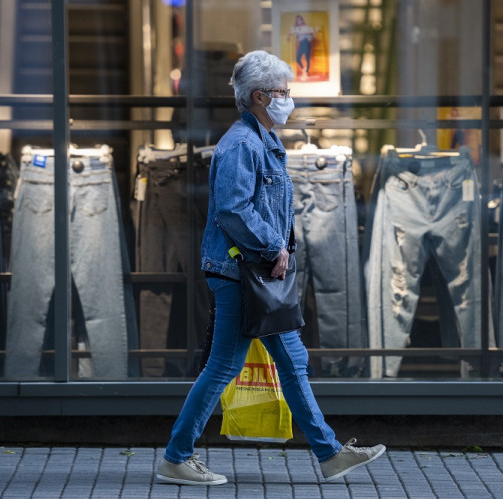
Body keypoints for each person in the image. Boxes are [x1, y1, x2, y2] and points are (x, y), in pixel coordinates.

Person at [156, 50, 386, 486]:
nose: (288, 99)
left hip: (257, 276)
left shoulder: (263, 138)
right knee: (223, 366)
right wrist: (273, 247)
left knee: (292, 361)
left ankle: (329, 452)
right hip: (241, 273)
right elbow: (233, 209)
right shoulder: (242, 144)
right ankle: (176, 457)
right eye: (283, 92)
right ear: (260, 96)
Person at [287, 15, 315, 80]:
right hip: (301, 43)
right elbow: (290, 33)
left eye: (300, 20)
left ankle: (306, 73)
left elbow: (312, 33)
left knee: (307, 58)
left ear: (302, 20)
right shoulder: (295, 28)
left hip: (306, 42)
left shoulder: (306, 27)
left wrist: (310, 38)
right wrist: (288, 37)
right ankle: (304, 69)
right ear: (296, 21)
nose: (299, 21)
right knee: (298, 58)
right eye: (298, 20)